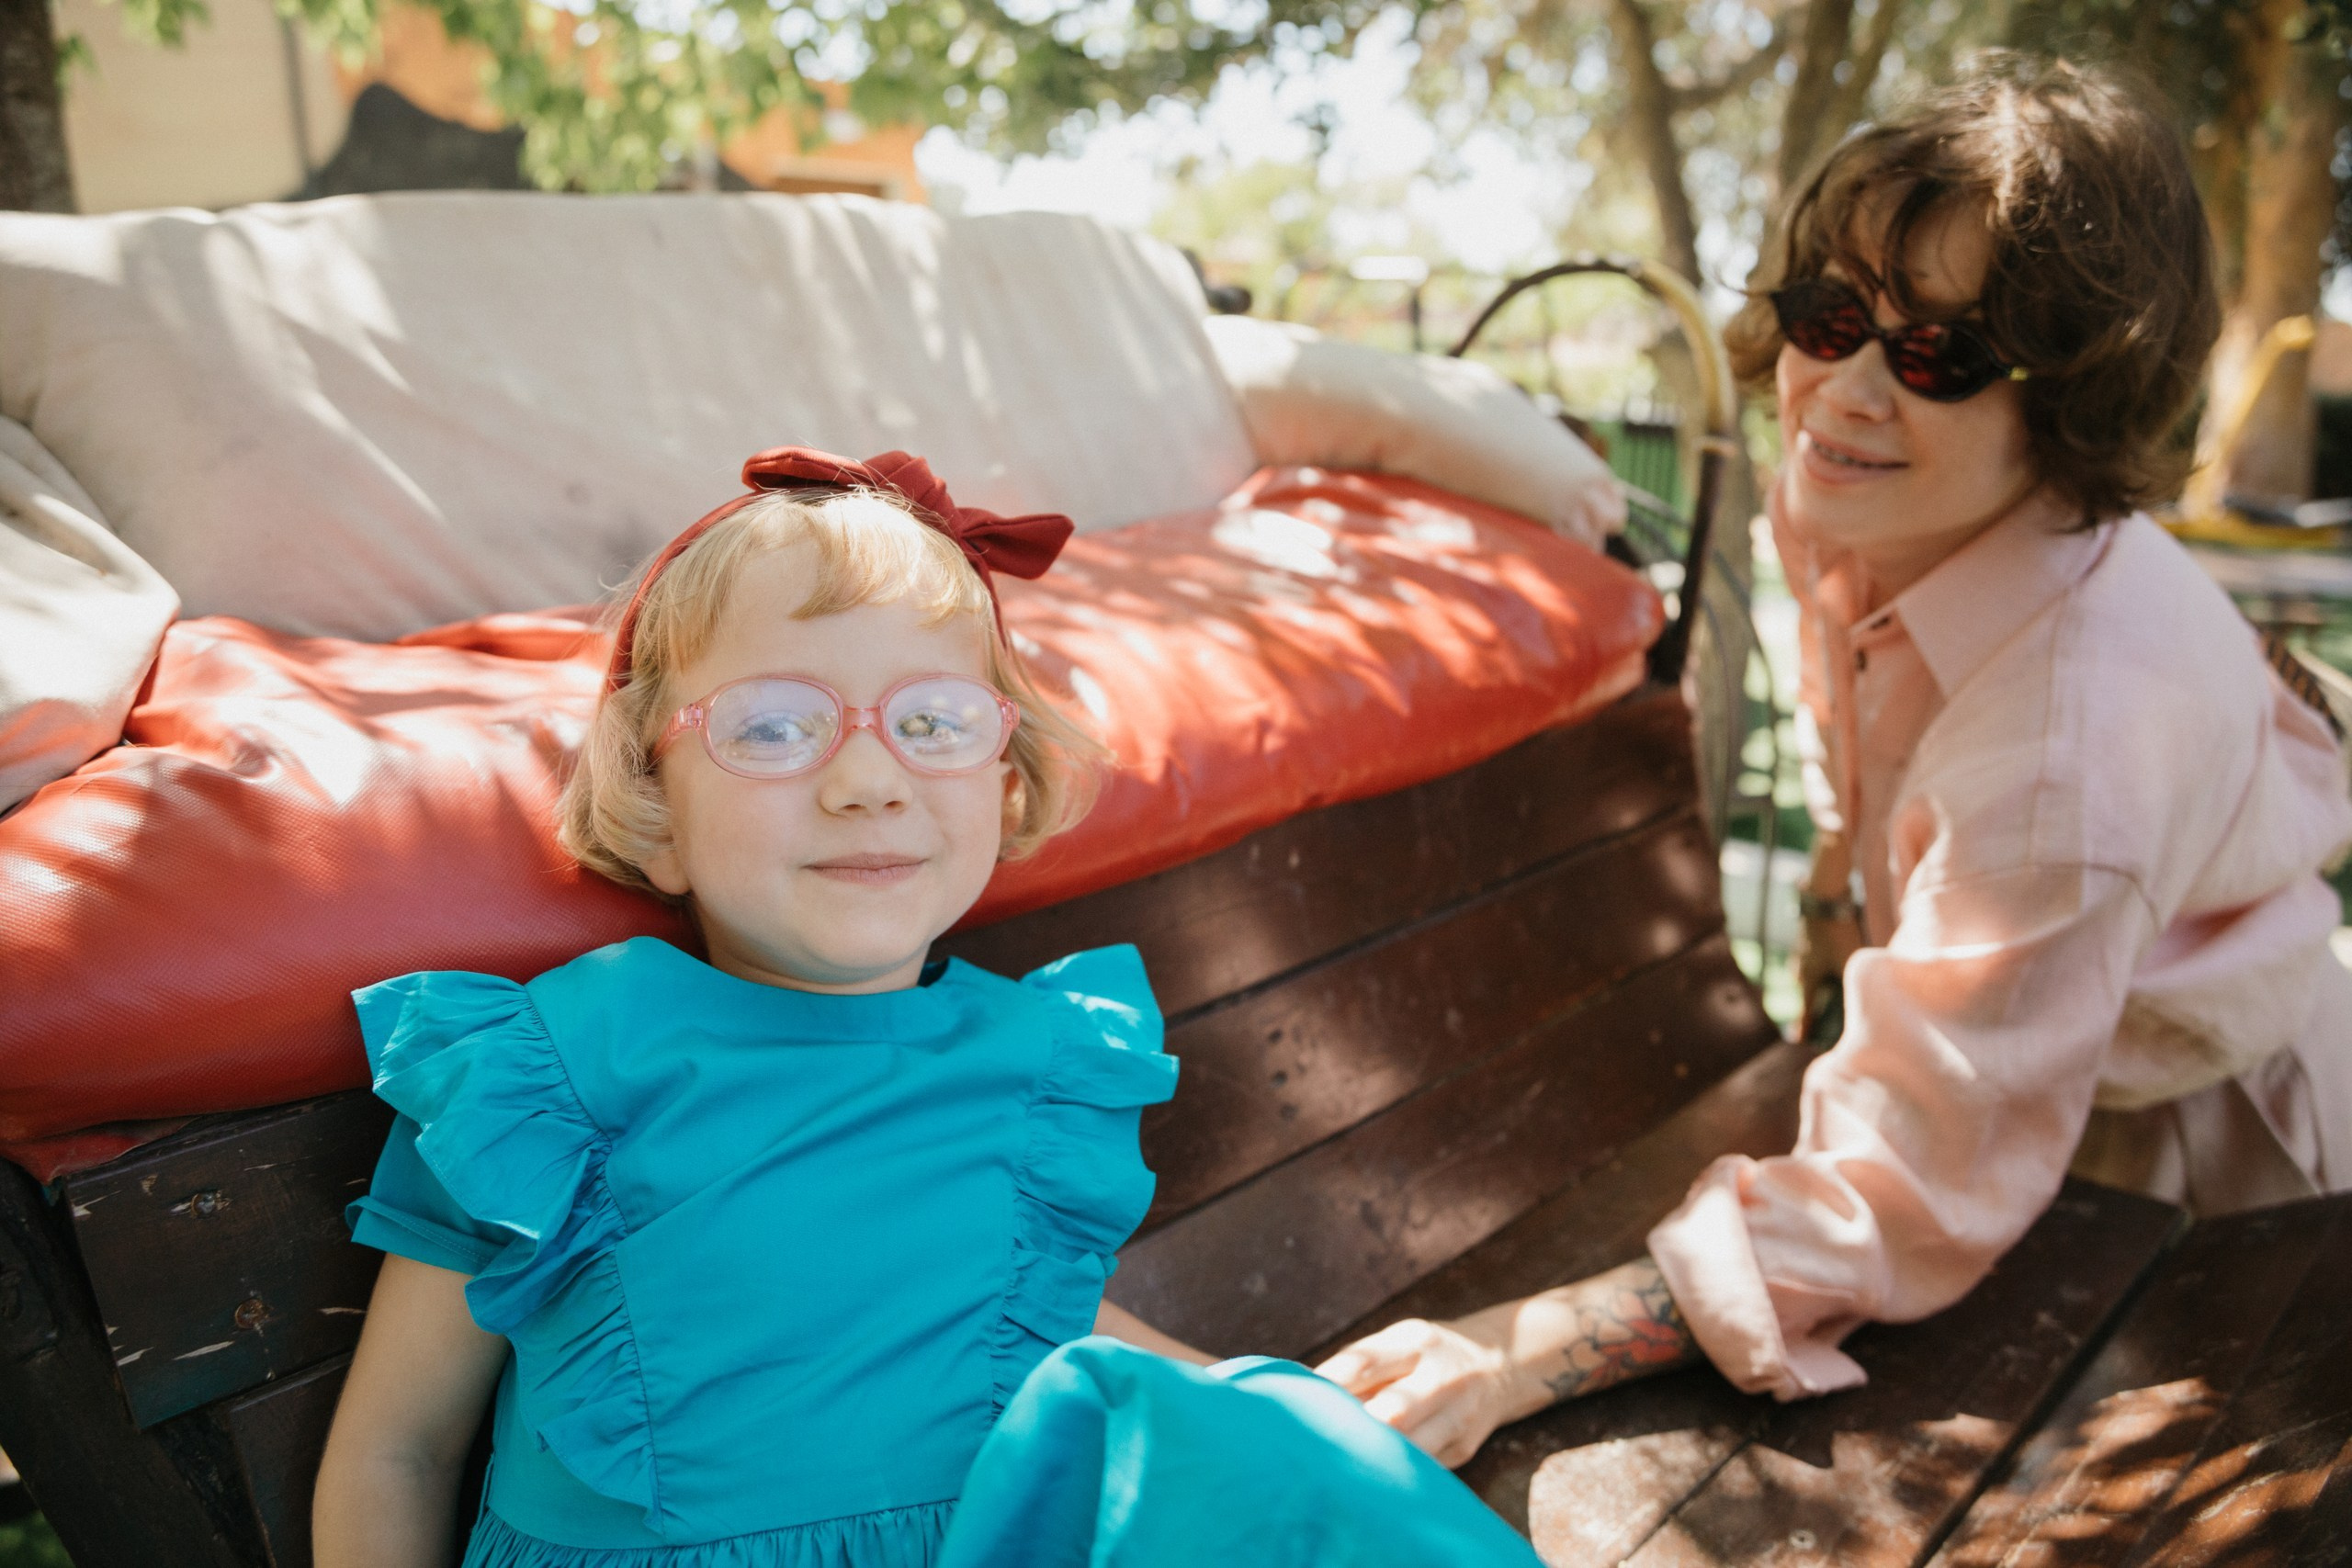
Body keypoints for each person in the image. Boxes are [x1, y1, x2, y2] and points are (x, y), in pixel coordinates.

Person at [1316, 56, 2352, 1463]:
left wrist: (1512, 1354)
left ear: (2076, 402)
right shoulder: (1865, 513)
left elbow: (1902, 1193)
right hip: (2032, 1092)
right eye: (1832, 314)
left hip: (2223, 1177)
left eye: (1943, 355)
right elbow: (1851, 777)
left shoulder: (2067, 751)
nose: (1847, 389)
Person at [311, 446, 1543, 1568]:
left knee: (1287, 1440)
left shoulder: (1034, 1064)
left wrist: (1296, 1434)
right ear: (653, 798)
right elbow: (395, 1451)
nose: (865, 781)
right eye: (776, 725)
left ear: (1002, 786)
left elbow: (1015, 1334)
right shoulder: (551, 1070)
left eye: (932, 724)